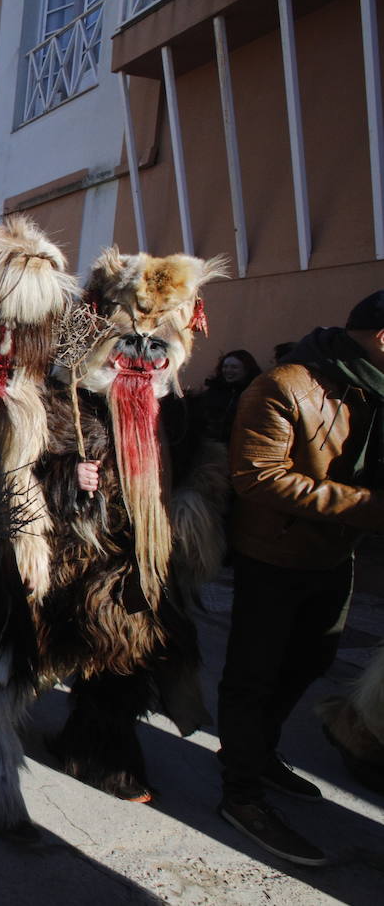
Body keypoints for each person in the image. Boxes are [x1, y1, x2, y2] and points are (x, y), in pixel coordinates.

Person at [218, 290, 384, 866]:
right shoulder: (284, 385)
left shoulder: (373, 389)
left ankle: (259, 753)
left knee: (312, 661)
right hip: (274, 556)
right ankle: (239, 793)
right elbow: (258, 478)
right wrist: (370, 506)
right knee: (252, 675)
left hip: (334, 555)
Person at [194, 349, 262, 442]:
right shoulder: (214, 391)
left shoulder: (254, 393)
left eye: (234, 367)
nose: (228, 370)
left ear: (246, 369)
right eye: (225, 367)